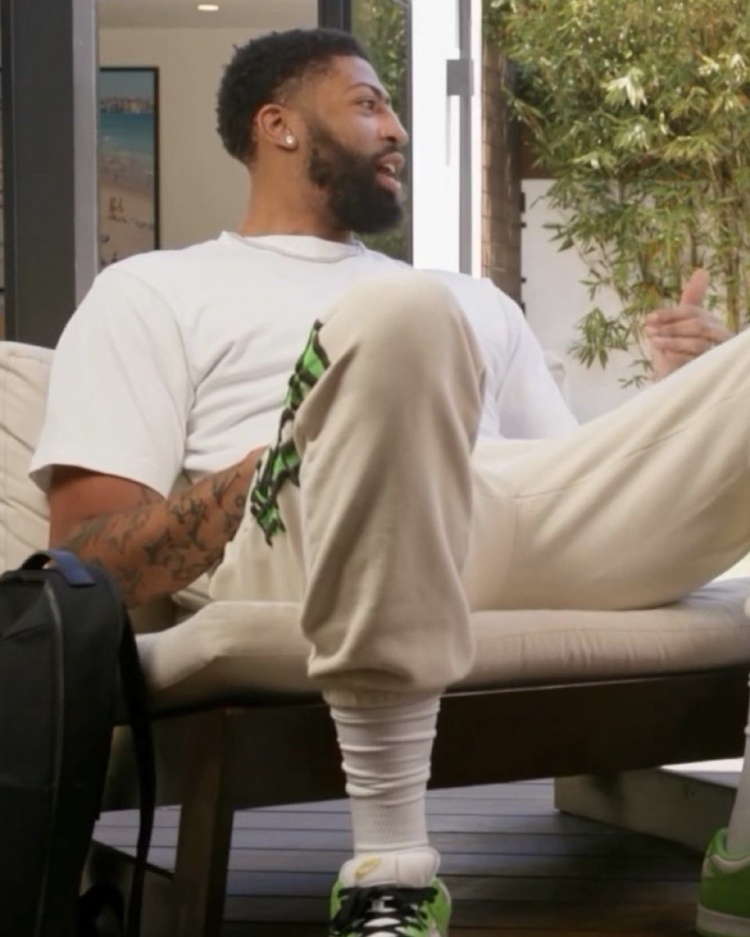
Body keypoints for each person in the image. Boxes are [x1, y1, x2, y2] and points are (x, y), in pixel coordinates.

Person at [28, 27, 747, 937]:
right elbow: (87, 558)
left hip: (492, 524)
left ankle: (743, 853)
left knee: (427, 305)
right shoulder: (153, 290)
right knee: (404, 312)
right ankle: (389, 876)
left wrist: (686, 401)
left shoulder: (474, 299)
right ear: (278, 126)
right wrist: (284, 456)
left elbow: (561, 485)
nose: (397, 128)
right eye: (369, 104)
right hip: (295, 534)